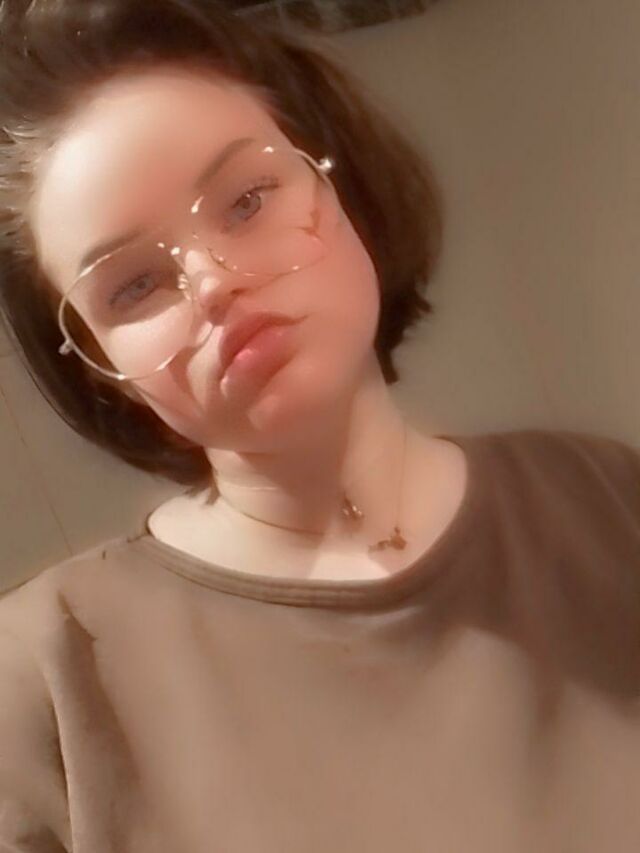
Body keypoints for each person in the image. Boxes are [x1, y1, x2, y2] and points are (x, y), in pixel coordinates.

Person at [0, 1, 638, 850]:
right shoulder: (42, 688)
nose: (213, 281)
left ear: (341, 186)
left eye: (247, 199)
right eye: (134, 284)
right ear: (94, 363)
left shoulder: (608, 502)